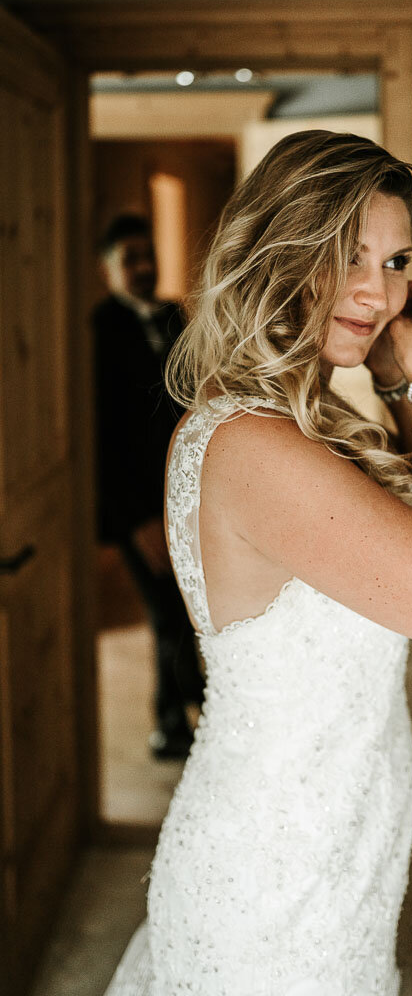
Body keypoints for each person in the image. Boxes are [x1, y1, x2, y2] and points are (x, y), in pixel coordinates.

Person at [103, 131, 412, 995]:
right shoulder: (259, 450)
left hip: (334, 848)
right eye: (347, 254)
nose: (377, 293)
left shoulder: (296, 426)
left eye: (395, 261)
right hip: (275, 889)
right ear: (277, 249)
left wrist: (392, 386)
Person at [94, 214, 205, 760]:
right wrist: (138, 520)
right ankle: (173, 723)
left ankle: (196, 702)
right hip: (135, 504)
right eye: (129, 258)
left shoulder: (173, 316)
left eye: (147, 255)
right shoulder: (97, 329)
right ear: (108, 267)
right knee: (165, 613)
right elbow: (103, 438)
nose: (142, 267)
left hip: (183, 490)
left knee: (188, 608)